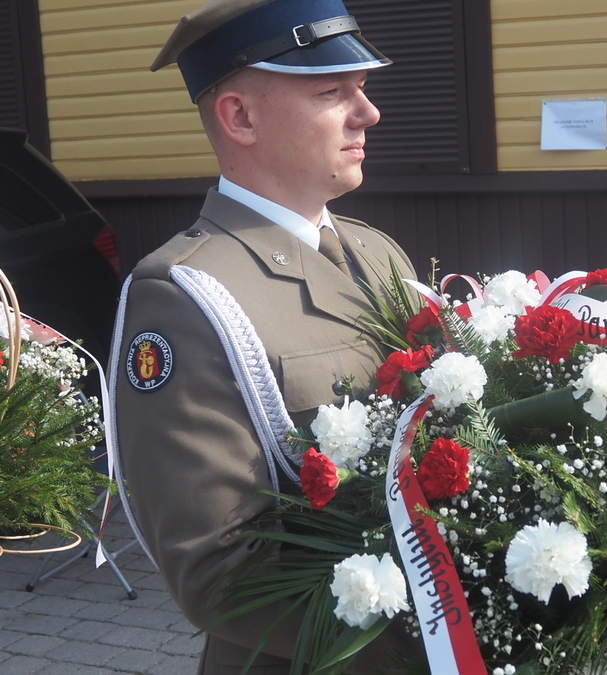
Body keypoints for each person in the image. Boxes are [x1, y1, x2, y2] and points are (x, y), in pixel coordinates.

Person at [106, 1, 418, 673]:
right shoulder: (183, 293)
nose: (368, 113)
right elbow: (219, 573)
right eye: (332, 92)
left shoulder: (378, 252)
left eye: (363, 88)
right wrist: (443, 632)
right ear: (240, 117)